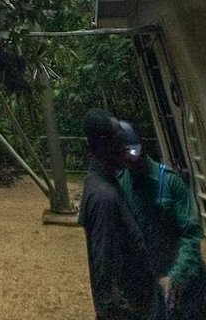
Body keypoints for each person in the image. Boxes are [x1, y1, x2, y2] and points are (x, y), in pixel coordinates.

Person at [117, 120, 206, 319]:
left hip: (190, 280)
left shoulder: (168, 181)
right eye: (123, 156)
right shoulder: (122, 185)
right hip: (154, 283)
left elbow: (191, 234)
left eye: (132, 153)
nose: (130, 160)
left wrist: (177, 277)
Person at [79, 108, 164, 320]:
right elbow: (104, 267)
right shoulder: (104, 199)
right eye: (119, 138)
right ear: (103, 142)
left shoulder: (102, 182)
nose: (125, 145)